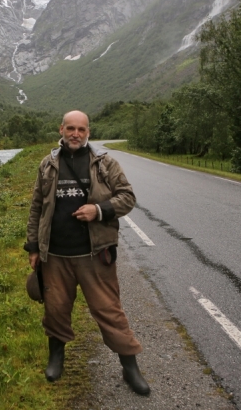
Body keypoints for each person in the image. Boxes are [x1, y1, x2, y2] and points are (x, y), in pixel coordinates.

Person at [25, 110, 150, 396]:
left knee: (109, 311)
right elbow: (36, 208)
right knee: (55, 309)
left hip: (95, 256)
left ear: (88, 132)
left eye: (81, 129)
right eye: (71, 128)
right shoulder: (48, 165)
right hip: (55, 256)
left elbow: (127, 197)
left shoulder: (105, 163)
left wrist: (99, 210)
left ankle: (130, 367)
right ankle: (56, 358)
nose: (76, 134)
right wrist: (33, 247)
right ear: (61, 129)